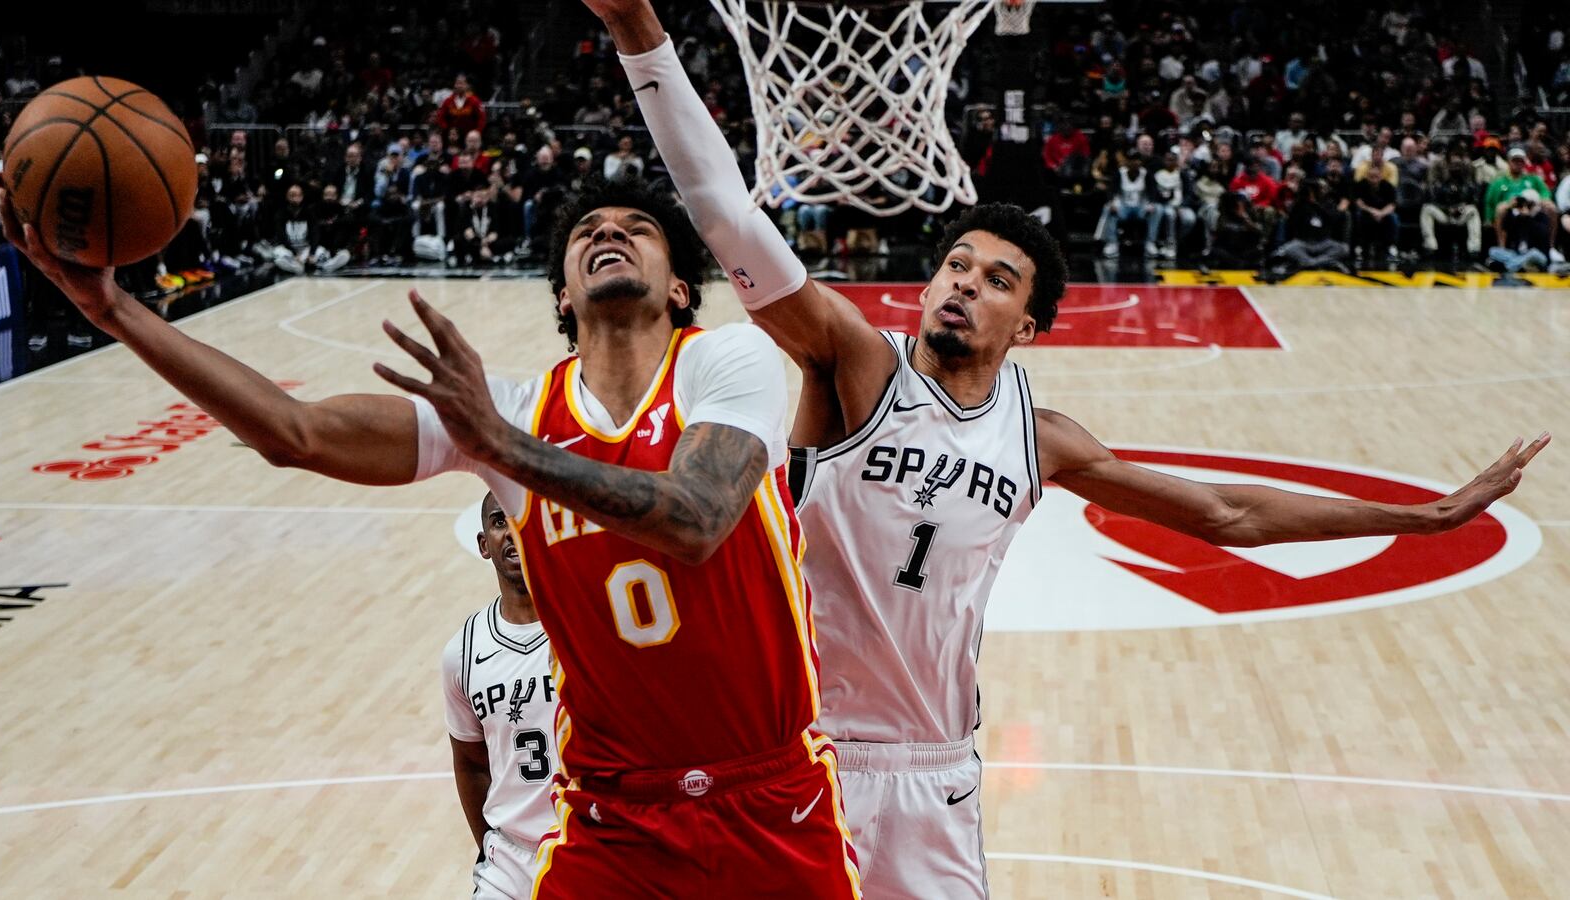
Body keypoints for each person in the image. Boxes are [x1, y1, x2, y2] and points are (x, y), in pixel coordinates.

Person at [598, 0, 1550, 895]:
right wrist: (641, 31)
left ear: (1031, 323)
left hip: (935, 771)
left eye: (997, 278)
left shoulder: (1040, 440)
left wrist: (1422, 517)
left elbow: (1229, 514)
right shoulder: (854, 367)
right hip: (795, 755)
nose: (964, 285)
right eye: (954, 266)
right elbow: (724, 211)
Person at [0, 161, 861, 896]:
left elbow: (700, 518)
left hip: (771, 800)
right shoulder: (513, 413)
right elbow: (293, 433)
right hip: (614, 813)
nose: (611, 231)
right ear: (562, 291)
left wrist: (503, 448)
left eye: (639, 225)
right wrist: (115, 313)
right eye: (587, 227)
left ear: (680, 287)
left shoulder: (722, 361)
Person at [445, 492, 557, 900]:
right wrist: (487, 848)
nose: (511, 531)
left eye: (520, 518)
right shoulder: (462, 652)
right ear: (483, 543)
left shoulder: (586, 630)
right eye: (498, 521)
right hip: (508, 859)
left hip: (586, 848)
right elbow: (471, 765)